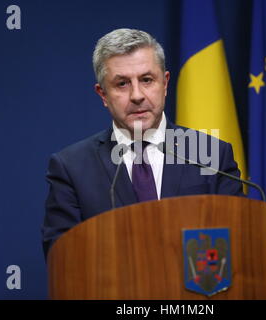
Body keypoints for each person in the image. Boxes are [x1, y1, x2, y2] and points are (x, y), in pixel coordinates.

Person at [42, 28, 242, 257]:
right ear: (103, 95)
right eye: (122, 84)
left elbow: (237, 240)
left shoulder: (210, 153)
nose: (137, 95)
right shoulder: (72, 167)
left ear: (165, 84)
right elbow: (62, 257)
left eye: (147, 80)